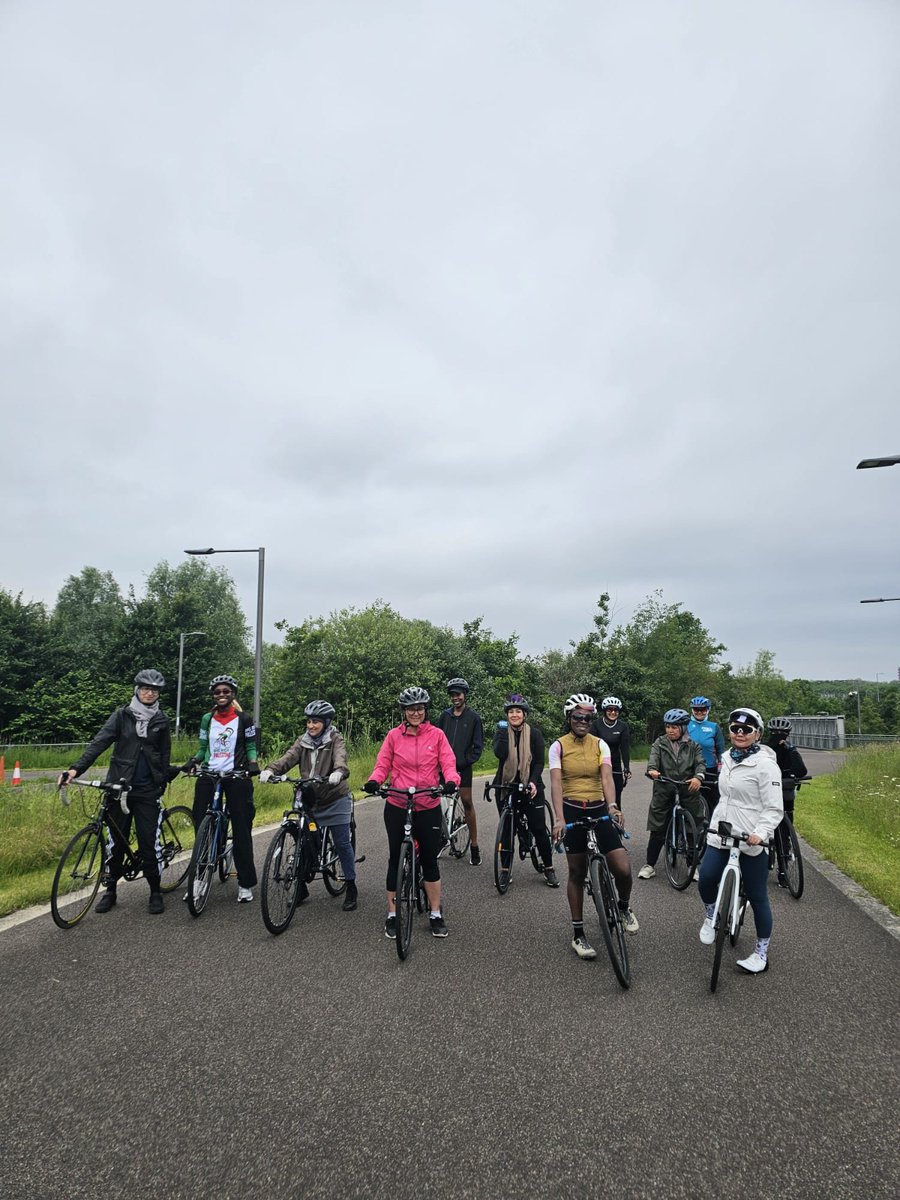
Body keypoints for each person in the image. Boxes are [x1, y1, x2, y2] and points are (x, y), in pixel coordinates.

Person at [58, 669, 173, 915]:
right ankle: (110, 891)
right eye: (145, 688)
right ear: (137, 690)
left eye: (154, 690)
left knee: (148, 843)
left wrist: (161, 783)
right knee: (114, 844)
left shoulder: (161, 720)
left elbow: (164, 755)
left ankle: (154, 890)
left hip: (146, 790)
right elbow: (99, 742)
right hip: (118, 787)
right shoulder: (122, 716)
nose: (150, 693)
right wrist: (75, 770)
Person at [363, 687, 460, 939]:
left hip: (427, 803)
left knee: (429, 860)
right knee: (395, 858)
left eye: (419, 708)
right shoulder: (394, 736)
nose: (415, 713)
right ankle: (393, 914)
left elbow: (448, 762)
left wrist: (451, 780)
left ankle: (435, 913)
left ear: (425, 710)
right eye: (410, 709)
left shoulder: (437, 735)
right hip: (397, 802)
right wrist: (374, 780)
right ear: (404, 712)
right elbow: (383, 763)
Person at [549, 693, 638, 959]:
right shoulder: (558, 747)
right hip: (572, 808)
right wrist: (558, 818)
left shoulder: (601, 745)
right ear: (569, 718)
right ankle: (578, 934)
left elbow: (607, 777)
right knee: (576, 872)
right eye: (578, 716)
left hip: (599, 807)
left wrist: (612, 806)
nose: (583, 721)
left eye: (588, 717)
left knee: (622, 867)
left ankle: (623, 907)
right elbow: (555, 783)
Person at [697, 708, 783, 974]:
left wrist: (761, 832)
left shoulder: (766, 765)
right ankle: (712, 914)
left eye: (747, 730)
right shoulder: (726, 758)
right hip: (722, 832)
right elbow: (726, 797)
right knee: (707, 878)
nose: (740, 733)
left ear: (757, 734)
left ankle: (761, 952)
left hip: (751, 838)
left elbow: (773, 808)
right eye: (735, 728)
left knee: (758, 896)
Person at [259, 700, 357, 911]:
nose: (311, 726)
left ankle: (350, 885)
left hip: (334, 797)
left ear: (326, 722)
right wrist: (270, 770)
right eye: (309, 721)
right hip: (310, 798)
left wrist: (338, 772)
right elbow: (288, 758)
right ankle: (301, 886)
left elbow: (341, 757)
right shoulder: (302, 741)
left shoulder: (334, 739)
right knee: (303, 840)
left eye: (316, 722)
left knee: (341, 842)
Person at [184, 675, 260, 903]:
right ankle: (198, 879)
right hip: (209, 774)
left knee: (241, 828)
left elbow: (250, 745)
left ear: (233, 694)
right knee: (201, 827)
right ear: (213, 695)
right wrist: (194, 761)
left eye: (226, 691)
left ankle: (245, 883)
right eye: (217, 692)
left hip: (236, 775)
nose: (222, 695)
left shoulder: (244, 719)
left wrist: (253, 764)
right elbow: (203, 747)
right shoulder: (207, 719)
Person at [492, 694, 558, 887]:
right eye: (511, 712)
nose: (514, 715)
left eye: (518, 711)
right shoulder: (501, 732)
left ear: (524, 714)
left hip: (531, 784)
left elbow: (538, 762)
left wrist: (532, 782)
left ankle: (548, 868)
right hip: (506, 785)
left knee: (538, 829)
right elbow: (499, 753)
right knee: (506, 830)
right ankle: (505, 870)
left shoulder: (535, 734)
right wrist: (504, 734)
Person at [639, 708, 707, 880]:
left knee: (692, 828)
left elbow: (700, 763)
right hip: (664, 788)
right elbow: (653, 760)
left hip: (688, 789)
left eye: (674, 727)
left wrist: (698, 777)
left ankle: (693, 865)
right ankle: (650, 865)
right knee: (658, 827)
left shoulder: (693, 746)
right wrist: (653, 770)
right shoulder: (660, 743)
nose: (670, 730)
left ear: (683, 728)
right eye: (668, 727)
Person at [435, 678, 484, 865]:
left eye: (458, 694)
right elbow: (436, 739)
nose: (455, 697)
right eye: (452, 695)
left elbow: (478, 746)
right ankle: (441, 838)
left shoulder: (473, 718)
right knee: (438, 804)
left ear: (465, 695)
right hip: (443, 768)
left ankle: (474, 845)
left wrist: (465, 761)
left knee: (467, 802)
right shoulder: (444, 716)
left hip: (463, 768)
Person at [766, 716, 808, 887]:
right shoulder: (764, 750)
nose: (778, 736)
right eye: (775, 733)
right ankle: (765, 854)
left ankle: (783, 869)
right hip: (768, 791)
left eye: (782, 733)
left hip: (785, 791)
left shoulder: (791, 750)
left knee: (785, 831)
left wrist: (791, 751)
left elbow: (801, 771)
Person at [590, 696, 631, 809]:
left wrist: (626, 768)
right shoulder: (596, 724)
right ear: (604, 710)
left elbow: (624, 748)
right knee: (599, 797)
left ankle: (616, 823)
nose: (613, 712)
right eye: (610, 709)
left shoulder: (622, 726)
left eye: (616, 710)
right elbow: (592, 746)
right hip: (598, 764)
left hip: (615, 765)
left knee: (616, 797)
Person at [687, 696, 725, 812]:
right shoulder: (685, 725)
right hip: (689, 768)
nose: (699, 712)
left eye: (702, 709)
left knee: (712, 801)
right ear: (692, 710)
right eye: (696, 709)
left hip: (710, 768)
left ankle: (712, 826)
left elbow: (720, 749)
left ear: (708, 710)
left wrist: (721, 767)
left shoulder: (714, 727)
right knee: (689, 800)